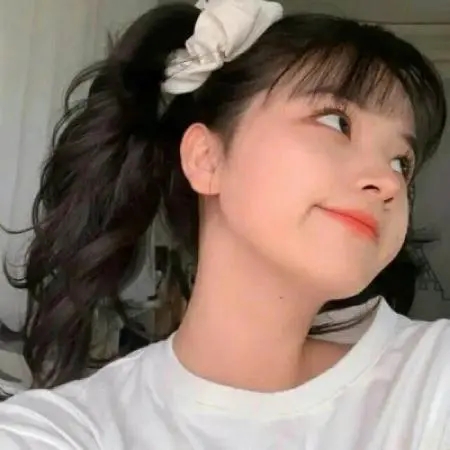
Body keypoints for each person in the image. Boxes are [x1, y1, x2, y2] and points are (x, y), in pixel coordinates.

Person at [0, 0, 448, 448]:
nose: (389, 181)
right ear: (206, 159)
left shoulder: (432, 379)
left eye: (401, 162)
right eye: (337, 122)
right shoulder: (64, 429)